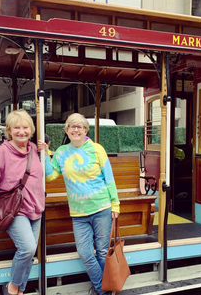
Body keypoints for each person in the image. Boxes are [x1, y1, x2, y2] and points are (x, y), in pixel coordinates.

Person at [37, 113, 119, 295]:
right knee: (85, 254)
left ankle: (105, 288)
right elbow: (50, 176)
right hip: (78, 213)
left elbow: (109, 178)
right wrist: (44, 154)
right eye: (72, 126)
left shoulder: (97, 149)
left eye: (80, 126)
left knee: (102, 251)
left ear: (85, 130)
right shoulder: (61, 152)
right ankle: (103, 288)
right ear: (66, 130)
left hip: (102, 208)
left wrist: (115, 204)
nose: (76, 129)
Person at [0, 109, 45, 295]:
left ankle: (19, 291)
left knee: (29, 253)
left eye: (25, 127)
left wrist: (47, 151)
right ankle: (12, 288)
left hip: (36, 209)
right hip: (15, 211)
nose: (21, 131)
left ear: (31, 130)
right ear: (9, 130)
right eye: (16, 127)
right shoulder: (1, 153)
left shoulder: (34, 149)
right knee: (27, 249)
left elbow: (44, 174)